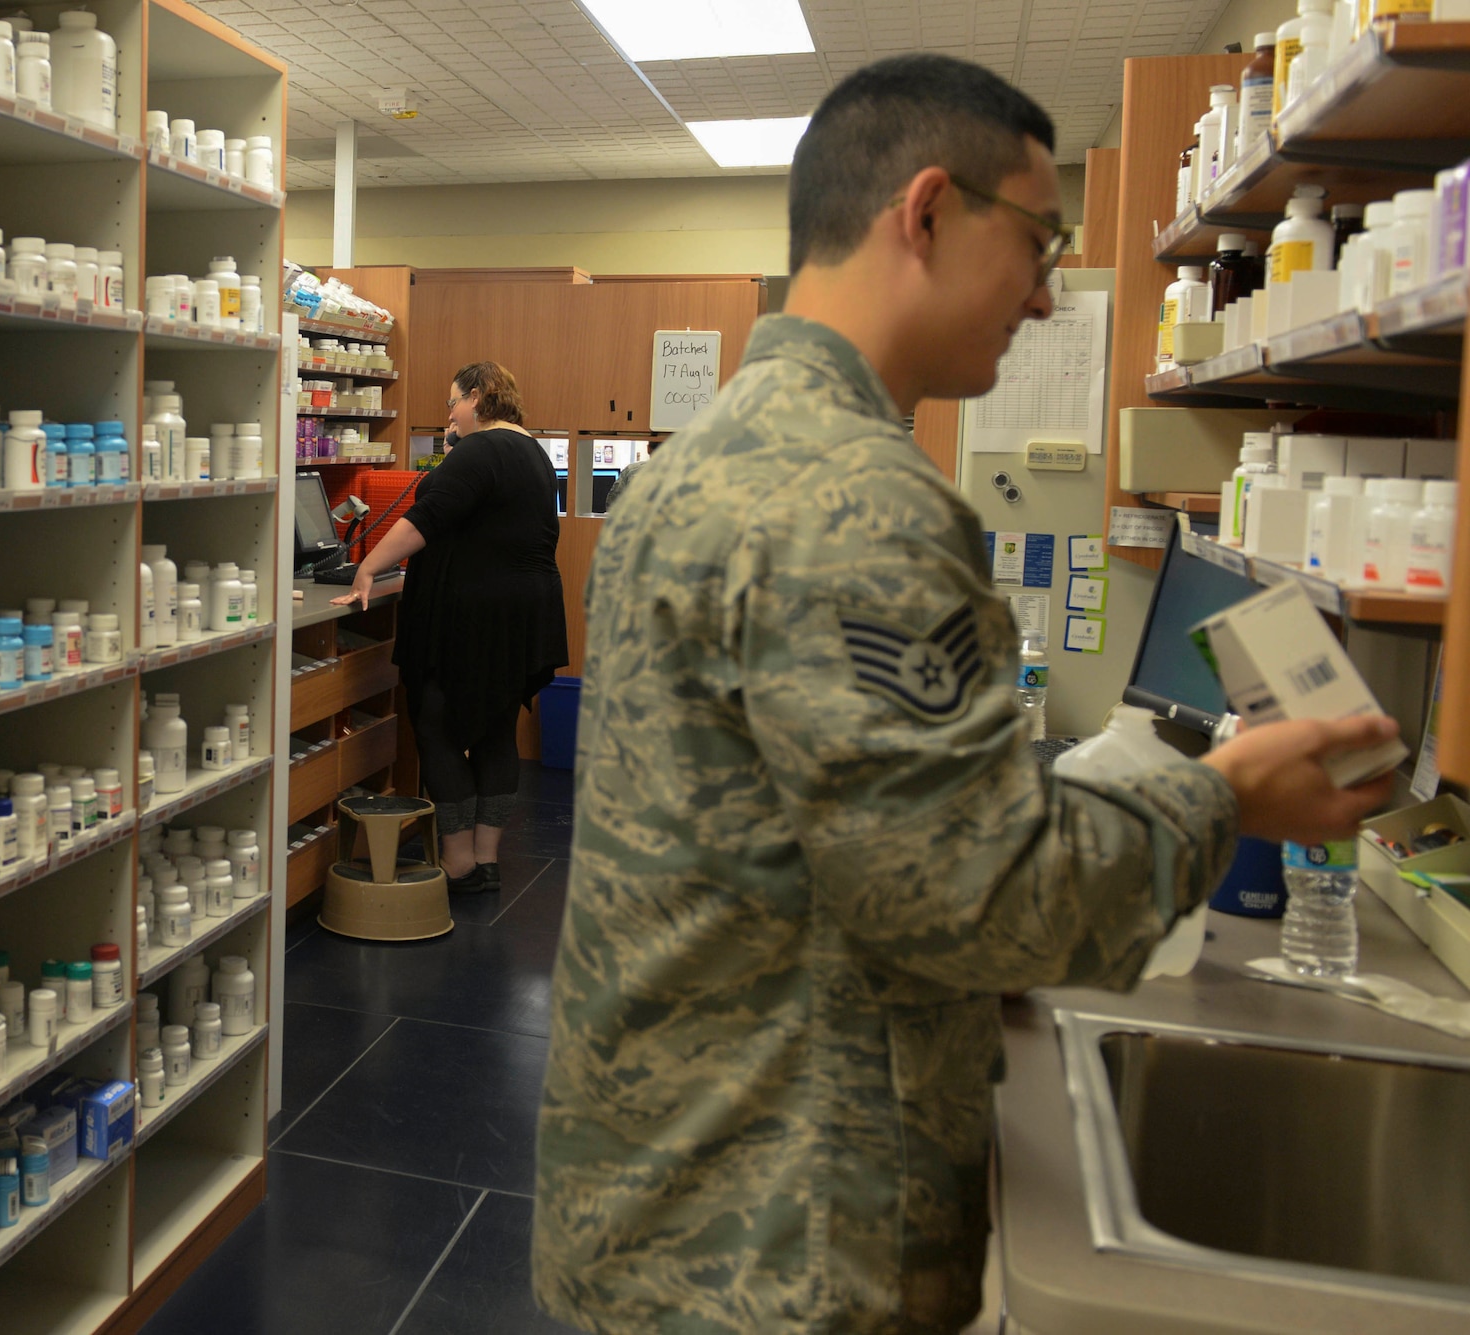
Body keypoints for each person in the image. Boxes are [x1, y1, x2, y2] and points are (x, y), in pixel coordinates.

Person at [532, 53, 1398, 1334]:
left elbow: (799, 839)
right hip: (779, 1241)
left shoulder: (695, 460)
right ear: (925, 212)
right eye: (1039, 242)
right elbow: (981, 900)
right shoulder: (857, 503)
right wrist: (1222, 798)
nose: (1048, 299)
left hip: (660, 1190)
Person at [333, 361, 567, 891]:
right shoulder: (531, 451)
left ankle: (457, 865)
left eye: (453, 402)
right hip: (519, 618)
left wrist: (367, 566)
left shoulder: (481, 450)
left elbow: (424, 521)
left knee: (438, 728)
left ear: (479, 397)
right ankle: (485, 860)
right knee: (493, 733)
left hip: (470, 617)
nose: (450, 413)